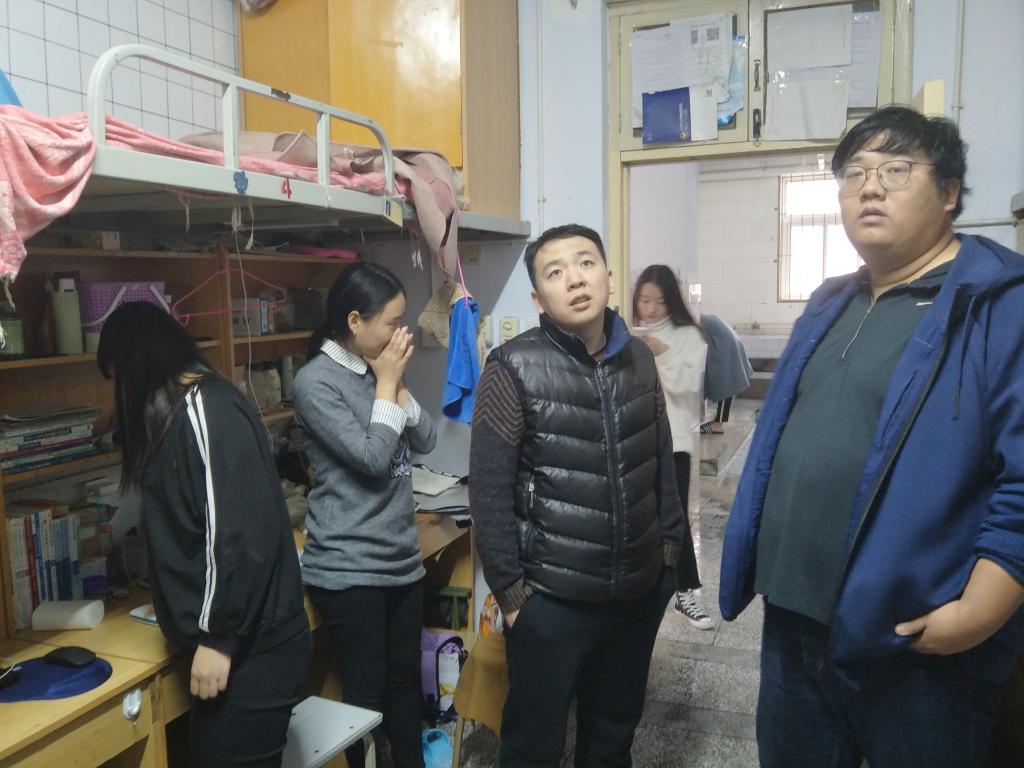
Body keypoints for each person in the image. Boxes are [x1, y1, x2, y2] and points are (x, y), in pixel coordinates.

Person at [720, 105, 1024, 768]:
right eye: (853, 174)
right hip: (794, 620)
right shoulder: (830, 301)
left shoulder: (1000, 304)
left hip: (914, 640)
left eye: (895, 170)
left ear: (949, 192)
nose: (869, 188)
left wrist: (976, 614)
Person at [470, 224, 699, 767]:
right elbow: (488, 490)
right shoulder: (511, 368)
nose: (575, 279)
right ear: (538, 300)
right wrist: (513, 596)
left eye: (586, 263)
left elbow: (659, 459)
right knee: (533, 744)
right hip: (552, 601)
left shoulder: (638, 358)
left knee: (612, 736)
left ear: (609, 278)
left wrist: (669, 559)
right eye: (555, 272)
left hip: (635, 594)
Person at [97, 301, 311, 768]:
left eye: (117, 379)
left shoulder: (206, 409)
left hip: (249, 651)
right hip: (238, 644)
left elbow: (235, 536)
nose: (117, 398)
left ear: (137, 367)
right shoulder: (189, 411)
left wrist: (217, 639)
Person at [292, 262, 437, 768]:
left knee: (405, 685)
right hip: (349, 565)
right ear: (355, 321)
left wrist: (393, 383)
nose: (401, 333)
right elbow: (373, 458)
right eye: (392, 322)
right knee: (365, 695)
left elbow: (426, 438)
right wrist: (387, 383)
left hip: (401, 558)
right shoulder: (315, 382)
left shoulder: (379, 366)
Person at [633, 264, 712, 630]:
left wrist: (660, 351)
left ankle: (685, 592)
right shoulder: (633, 334)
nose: (650, 309)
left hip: (676, 442)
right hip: (638, 441)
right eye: (644, 300)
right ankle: (650, 588)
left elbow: (686, 387)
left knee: (675, 517)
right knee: (641, 518)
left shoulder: (689, 336)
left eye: (659, 301)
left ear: (672, 301)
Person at [697, 313, 751, 434]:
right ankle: (718, 421)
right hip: (727, 339)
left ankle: (718, 424)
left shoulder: (685, 319)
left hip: (726, 342)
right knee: (726, 379)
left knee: (725, 382)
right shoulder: (693, 315)